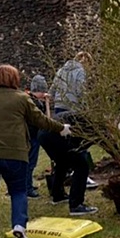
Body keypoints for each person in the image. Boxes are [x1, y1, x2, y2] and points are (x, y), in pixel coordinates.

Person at [0, 64, 71, 238]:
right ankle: (19, 225)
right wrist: (61, 129)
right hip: (14, 153)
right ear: (14, 79)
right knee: (18, 191)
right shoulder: (22, 99)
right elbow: (41, 120)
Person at [49, 51, 98, 189]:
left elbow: (52, 90)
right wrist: (86, 109)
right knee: (79, 141)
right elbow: (80, 91)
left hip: (59, 109)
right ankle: (81, 175)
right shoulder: (80, 71)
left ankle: (67, 173)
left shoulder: (61, 70)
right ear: (86, 62)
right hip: (73, 110)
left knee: (65, 144)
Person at [38, 111, 98, 216]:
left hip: (43, 134)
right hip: (56, 134)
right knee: (82, 166)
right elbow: (108, 141)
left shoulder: (85, 118)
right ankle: (76, 205)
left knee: (62, 163)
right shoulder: (95, 126)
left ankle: (58, 195)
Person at [25, 74, 49, 198]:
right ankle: (27, 188)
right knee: (30, 163)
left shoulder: (35, 101)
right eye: (42, 91)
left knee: (30, 162)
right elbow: (40, 118)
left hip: (34, 135)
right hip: (31, 136)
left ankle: (28, 184)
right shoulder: (33, 103)